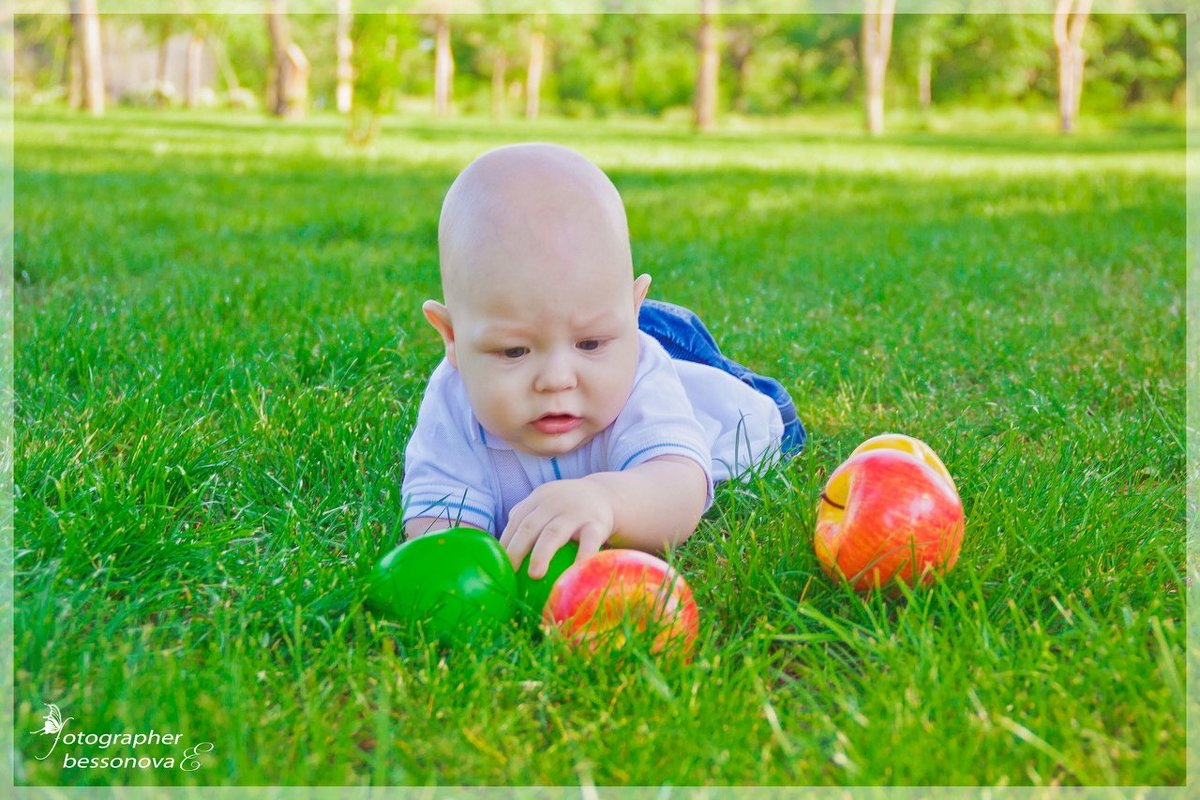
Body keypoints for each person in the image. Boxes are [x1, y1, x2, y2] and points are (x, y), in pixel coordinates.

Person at [402, 143, 804, 580]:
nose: (556, 380)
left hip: (706, 397)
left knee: (768, 415)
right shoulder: (451, 404)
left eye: (589, 344)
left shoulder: (639, 376)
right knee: (585, 325)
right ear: (453, 339)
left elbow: (680, 491)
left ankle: (659, 329)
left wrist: (606, 501)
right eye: (514, 351)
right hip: (618, 326)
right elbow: (437, 527)